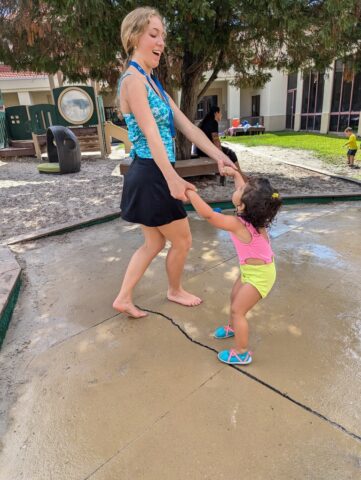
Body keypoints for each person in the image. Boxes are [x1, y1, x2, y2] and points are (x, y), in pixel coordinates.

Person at [112, 7, 239, 318]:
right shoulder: (133, 81)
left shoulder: (153, 84)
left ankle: (123, 298)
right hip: (152, 172)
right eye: (153, 34)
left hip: (151, 172)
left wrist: (220, 156)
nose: (161, 42)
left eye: (163, 37)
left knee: (154, 243)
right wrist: (171, 178)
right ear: (134, 36)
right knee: (182, 240)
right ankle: (174, 290)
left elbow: (190, 128)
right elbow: (152, 134)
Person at [186, 167, 282, 365]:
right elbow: (242, 189)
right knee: (234, 297)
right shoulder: (254, 215)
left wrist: (190, 193)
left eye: (241, 189)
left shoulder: (237, 223)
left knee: (239, 310)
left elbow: (210, 216)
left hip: (261, 276)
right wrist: (236, 175)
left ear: (243, 205)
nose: (237, 188)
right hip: (253, 270)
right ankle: (233, 327)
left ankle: (241, 352)